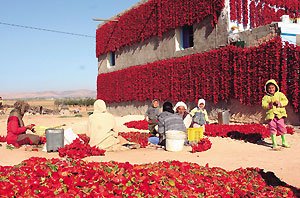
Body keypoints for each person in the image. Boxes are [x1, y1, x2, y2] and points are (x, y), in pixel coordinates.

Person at [262, 79, 290, 150]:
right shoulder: (266, 97)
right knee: (272, 128)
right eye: (269, 88)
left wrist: (280, 103)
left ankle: (284, 141)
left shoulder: (280, 94)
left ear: (276, 87)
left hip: (279, 115)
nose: (271, 89)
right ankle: (274, 143)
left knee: (282, 127)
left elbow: (285, 101)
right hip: (271, 116)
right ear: (267, 89)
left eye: (272, 88)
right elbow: (263, 105)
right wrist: (268, 105)